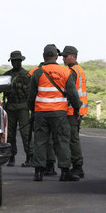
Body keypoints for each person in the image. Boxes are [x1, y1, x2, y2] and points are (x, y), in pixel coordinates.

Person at [28, 44, 82, 181]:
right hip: (59, 113)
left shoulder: (37, 72)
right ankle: (65, 171)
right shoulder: (65, 72)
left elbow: (31, 96)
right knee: (62, 141)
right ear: (57, 56)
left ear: (44, 56)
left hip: (41, 112)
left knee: (40, 141)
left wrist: (32, 111)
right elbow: (73, 94)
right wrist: (76, 110)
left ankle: (38, 172)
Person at [58, 45, 88, 178]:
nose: (63, 59)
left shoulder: (72, 71)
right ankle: (76, 165)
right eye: (63, 56)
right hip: (77, 110)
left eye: (66, 56)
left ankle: (77, 167)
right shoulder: (78, 69)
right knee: (73, 138)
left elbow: (71, 92)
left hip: (72, 111)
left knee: (72, 139)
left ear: (73, 57)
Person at [1, 51, 33, 167]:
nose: (16, 63)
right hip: (10, 107)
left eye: (18, 61)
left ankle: (30, 157)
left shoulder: (27, 75)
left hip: (23, 107)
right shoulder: (6, 75)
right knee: (10, 134)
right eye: (14, 61)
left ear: (21, 61)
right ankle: (11, 157)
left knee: (26, 133)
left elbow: (31, 92)